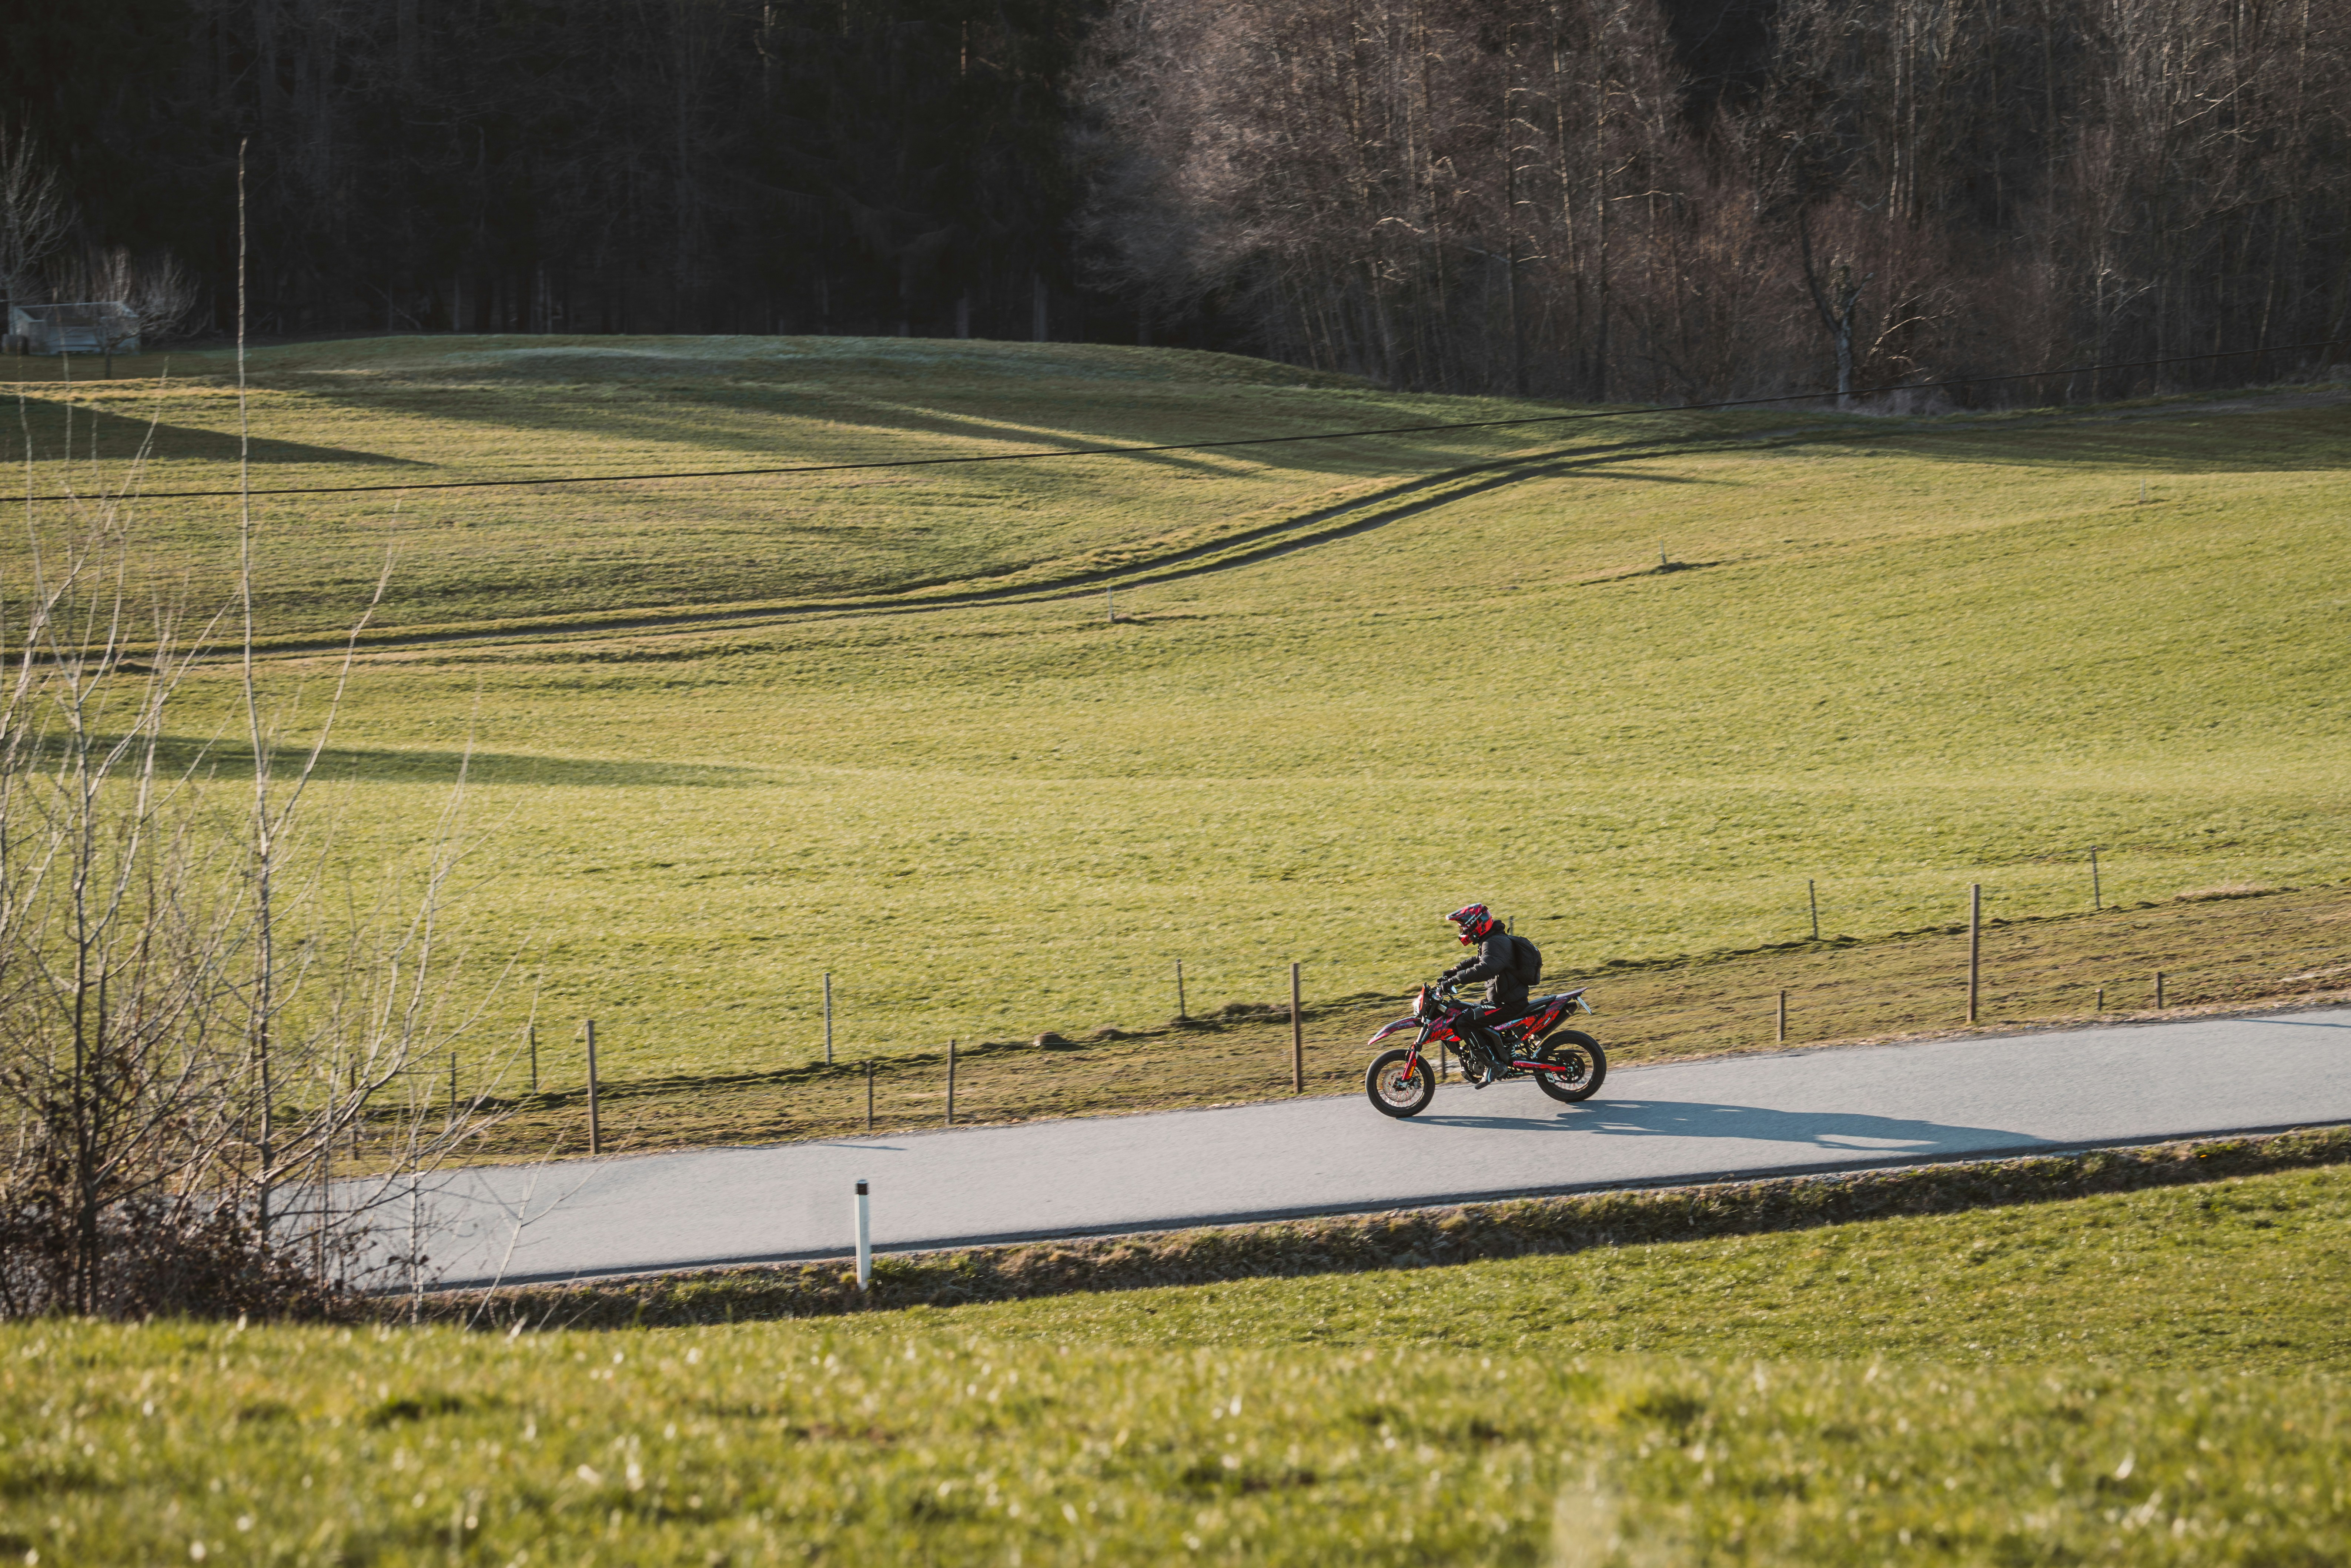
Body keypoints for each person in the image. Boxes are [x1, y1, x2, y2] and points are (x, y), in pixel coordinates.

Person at [1437, 902, 1536, 1083]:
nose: (1463, 931)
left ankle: (1493, 1065)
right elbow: (1478, 960)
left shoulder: (1495, 942)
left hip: (1507, 1004)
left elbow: (1486, 968)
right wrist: (1454, 971)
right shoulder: (1492, 940)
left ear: (1477, 924)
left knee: (1465, 1022)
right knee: (1466, 1013)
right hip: (1503, 1001)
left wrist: (1455, 980)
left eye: (1464, 926)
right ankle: (1493, 1056)